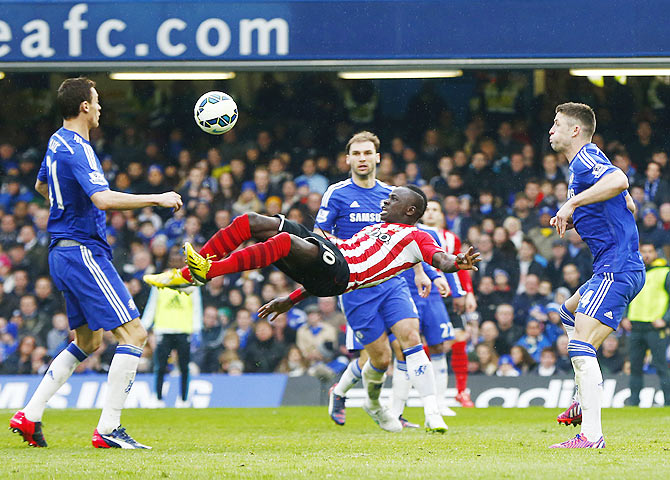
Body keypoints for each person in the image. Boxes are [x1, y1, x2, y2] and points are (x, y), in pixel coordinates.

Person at [145, 185, 479, 433]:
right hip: (330, 259)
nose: (384, 201)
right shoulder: (378, 228)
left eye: (393, 200)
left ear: (409, 211)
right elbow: (320, 277)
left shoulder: (415, 236)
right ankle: (189, 273)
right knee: (252, 221)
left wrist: (458, 263)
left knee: (284, 243)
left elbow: (440, 259)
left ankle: (208, 272)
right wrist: (288, 300)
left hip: (341, 274)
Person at [10, 77, 182, 449]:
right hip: (82, 250)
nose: (101, 107)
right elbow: (102, 199)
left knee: (87, 341)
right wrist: (156, 197)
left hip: (63, 251)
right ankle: (108, 429)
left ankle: (29, 414)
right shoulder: (79, 147)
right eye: (97, 100)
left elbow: (43, 187)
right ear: (85, 106)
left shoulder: (56, 142)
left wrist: (68, 210)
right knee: (135, 334)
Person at [313, 132, 427, 430]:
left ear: (377, 158)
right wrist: (347, 249)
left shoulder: (393, 195)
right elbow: (319, 232)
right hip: (354, 284)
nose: (362, 158)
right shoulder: (336, 193)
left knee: (410, 339)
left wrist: (419, 271)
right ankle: (339, 393)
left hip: (391, 280)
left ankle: (404, 411)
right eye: (357, 154)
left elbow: (410, 237)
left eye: (368, 153)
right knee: (377, 356)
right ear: (348, 159)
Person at [548, 102, 645, 449]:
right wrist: (581, 214)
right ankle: (580, 398)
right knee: (566, 313)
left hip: (617, 267)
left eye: (557, 124)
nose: (551, 130)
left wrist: (571, 205)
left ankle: (590, 435)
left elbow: (620, 179)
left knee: (580, 344)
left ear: (575, 130)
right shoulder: (581, 172)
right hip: (615, 265)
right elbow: (628, 203)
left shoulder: (587, 156)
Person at [621, 242, 670, 406]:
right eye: (644, 252)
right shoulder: (635, 271)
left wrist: (666, 318)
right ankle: (634, 402)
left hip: (655, 327)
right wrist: (625, 316)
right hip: (635, 326)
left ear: (656, 253)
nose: (647, 255)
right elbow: (627, 295)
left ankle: (668, 402)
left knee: (661, 366)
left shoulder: (665, 272)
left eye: (650, 251)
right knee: (635, 366)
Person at [141, 283, 203, 406]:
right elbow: (152, 306)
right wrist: (144, 326)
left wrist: (197, 328)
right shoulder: (159, 283)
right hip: (164, 330)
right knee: (160, 366)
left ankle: (184, 399)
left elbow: (196, 306)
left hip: (184, 330)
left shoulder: (191, 283)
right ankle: (158, 398)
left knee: (184, 367)